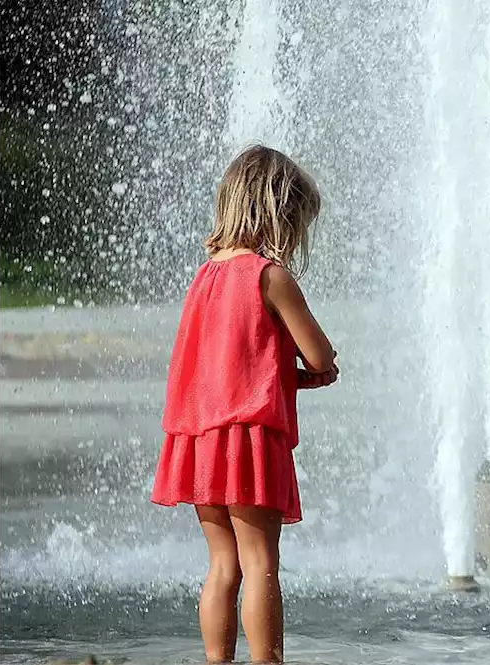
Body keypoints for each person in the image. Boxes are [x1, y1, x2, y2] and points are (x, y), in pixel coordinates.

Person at [150, 144, 339, 663]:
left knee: (222, 566)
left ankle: (217, 661)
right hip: (251, 440)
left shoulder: (204, 277)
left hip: (202, 441)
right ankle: (268, 661)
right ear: (277, 214)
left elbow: (219, 371)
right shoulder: (270, 278)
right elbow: (319, 353)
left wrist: (284, 378)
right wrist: (314, 374)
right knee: (261, 564)